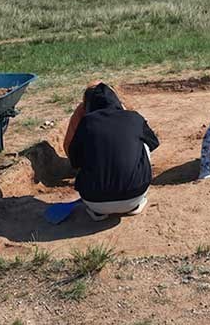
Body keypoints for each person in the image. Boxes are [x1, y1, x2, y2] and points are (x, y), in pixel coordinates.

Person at [65, 82, 160, 221]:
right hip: (134, 195)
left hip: (94, 201)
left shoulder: (86, 122)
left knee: (87, 150)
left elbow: (74, 160)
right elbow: (153, 143)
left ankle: (98, 212)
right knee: (142, 144)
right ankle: (134, 206)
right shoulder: (134, 117)